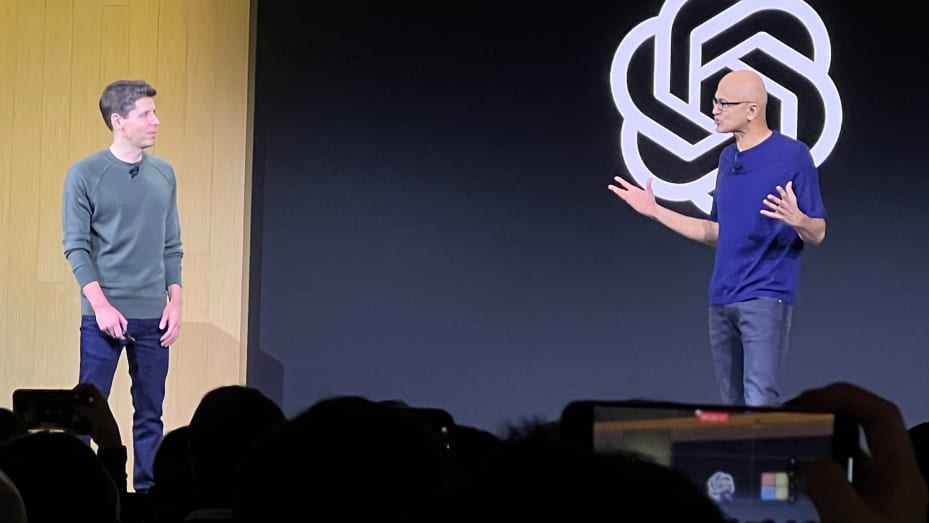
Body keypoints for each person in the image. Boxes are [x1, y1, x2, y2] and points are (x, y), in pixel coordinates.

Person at [608, 69, 826, 406]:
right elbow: (716, 233)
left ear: (752, 110)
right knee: (730, 408)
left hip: (765, 296)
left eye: (724, 103)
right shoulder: (728, 159)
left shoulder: (792, 155)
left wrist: (798, 220)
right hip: (722, 298)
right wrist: (655, 211)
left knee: (759, 401)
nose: (715, 110)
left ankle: (765, 460)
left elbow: (818, 232)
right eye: (715, 102)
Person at [61, 79, 184, 491]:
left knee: (150, 413)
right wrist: (100, 306)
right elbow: (76, 247)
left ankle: (147, 496)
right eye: (146, 114)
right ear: (119, 121)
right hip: (104, 316)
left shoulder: (164, 174)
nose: (156, 121)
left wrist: (175, 301)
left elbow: (172, 245)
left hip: (154, 316)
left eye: (154, 112)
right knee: (86, 413)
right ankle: (79, 493)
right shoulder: (85, 174)